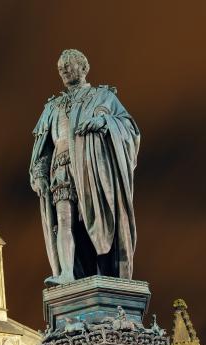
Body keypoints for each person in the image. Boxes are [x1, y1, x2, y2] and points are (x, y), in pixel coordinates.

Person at [30, 49, 140, 285]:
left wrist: (103, 122)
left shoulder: (103, 96)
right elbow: (43, 147)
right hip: (61, 166)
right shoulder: (52, 106)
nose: (64, 71)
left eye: (69, 66)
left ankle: (106, 274)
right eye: (61, 69)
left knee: (97, 218)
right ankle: (67, 273)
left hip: (93, 169)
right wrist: (39, 173)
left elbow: (129, 128)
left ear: (83, 67)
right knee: (64, 220)